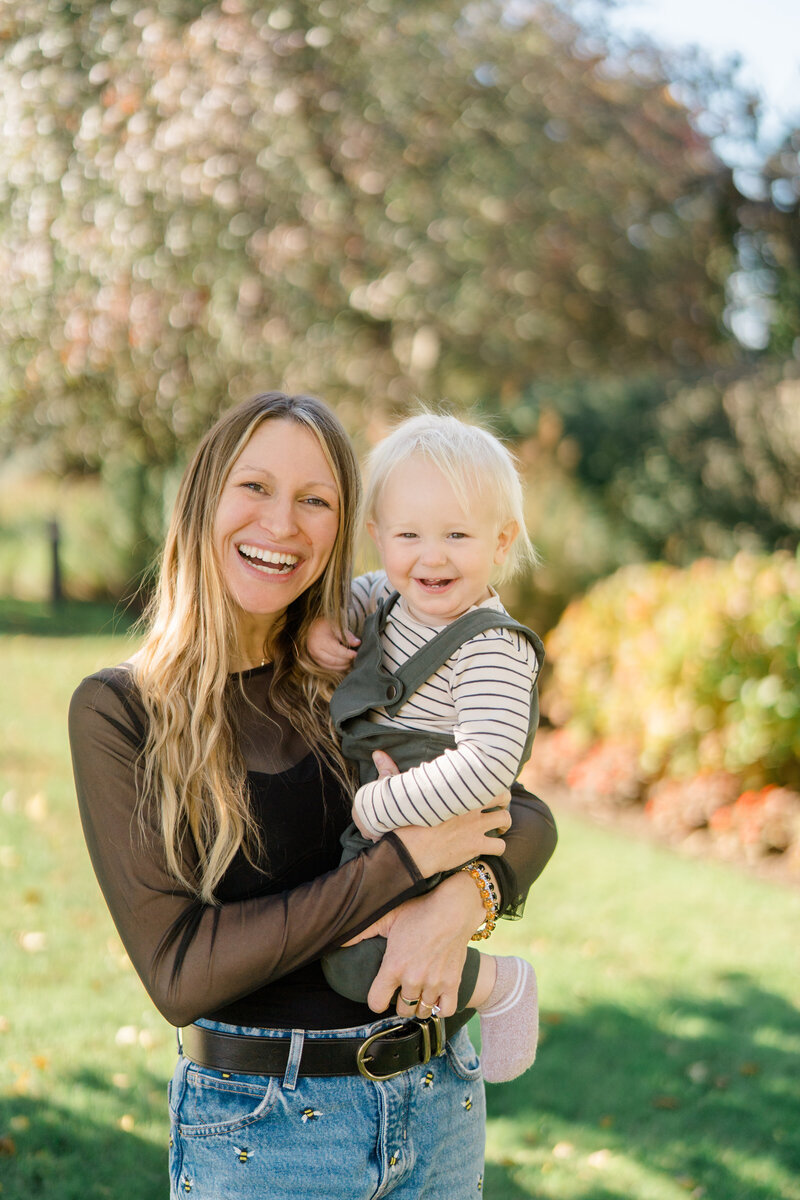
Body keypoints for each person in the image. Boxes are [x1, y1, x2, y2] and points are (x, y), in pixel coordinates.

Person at [69, 392, 557, 1200]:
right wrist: (400, 866)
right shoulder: (120, 711)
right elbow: (181, 973)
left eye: (315, 500)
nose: (282, 525)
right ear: (202, 500)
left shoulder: (345, 665)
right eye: (254, 487)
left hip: (436, 1104)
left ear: (343, 525)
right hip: (265, 1136)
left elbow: (524, 815)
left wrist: (457, 901)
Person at [310, 413, 544, 1084]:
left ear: (500, 543)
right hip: (390, 820)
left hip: (432, 818)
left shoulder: (491, 646)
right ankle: (432, 1023)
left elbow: (490, 765)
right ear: (379, 536)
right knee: (343, 934)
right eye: (408, 535)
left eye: (457, 536)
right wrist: (326, 626)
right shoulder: (387, 595)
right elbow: (350, 598)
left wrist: (381, 804)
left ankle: (498, 984)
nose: (431, 557)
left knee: (356, 961)